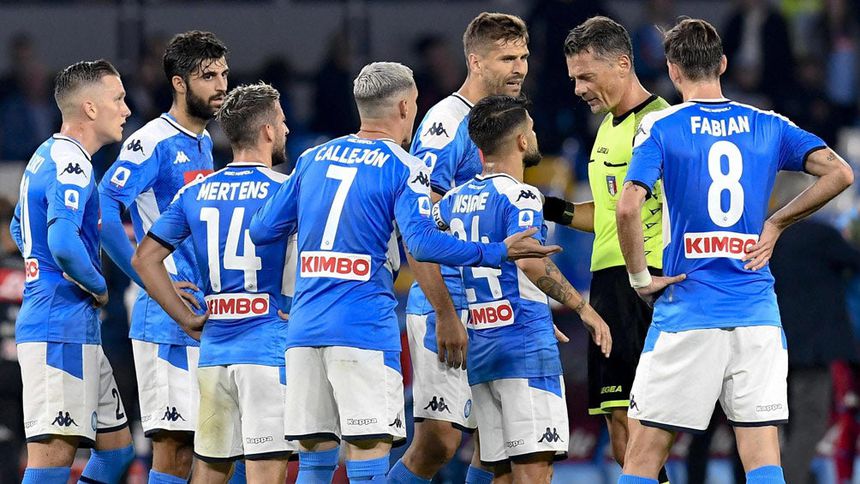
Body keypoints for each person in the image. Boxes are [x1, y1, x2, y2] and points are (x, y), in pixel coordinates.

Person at [248, 61, 559, 484]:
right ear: (404, 107)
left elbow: (262, 230)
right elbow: (424, 244)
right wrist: (497, 250)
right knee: (368, 453)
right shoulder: (405, 166)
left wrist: (288, 292)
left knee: (315, 462)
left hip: (304, 327)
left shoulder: (312, 158)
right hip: (362, 327)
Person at [615, 18, 854, 484]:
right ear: (723, 64)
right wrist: (777, 223)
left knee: (643, 455)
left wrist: (640, 279)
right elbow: (840, 173)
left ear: (673, 70)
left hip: (687, 312)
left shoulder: (659, 125)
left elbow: (627, 208)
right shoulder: (769, 124)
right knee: (762, 456)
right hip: (757, 316)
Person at [433, 94, 612, 483]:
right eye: (531, 127)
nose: (535, 133)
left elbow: (433, 259)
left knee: (500, 471)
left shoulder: (451, 202)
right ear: (520, 140)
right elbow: (530, 260)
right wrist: (583, 308)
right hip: (523, 347)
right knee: (535, 471)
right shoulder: (522, 195)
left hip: (482, 347)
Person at [133, 82, 297, 484]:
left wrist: (185, 318)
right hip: (267, 349)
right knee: (265, 471)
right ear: (267, 131)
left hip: (214, 352)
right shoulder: (287, 191)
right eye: (281, 121)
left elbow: (144, 258)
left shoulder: (196, 191)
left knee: (209, 472)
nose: (287, 128)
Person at [392, 12, 531, 484]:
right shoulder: (447, 123)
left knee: (498, 448)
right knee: (439, 442)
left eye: (523, 56)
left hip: (493, 302)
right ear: (475, 61)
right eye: (507, 58)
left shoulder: (505, 121)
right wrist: (446, 313)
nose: (519, 68)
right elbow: (418, 228)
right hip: (447, 301)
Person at [541, 16, 671, 482]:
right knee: (620, 433)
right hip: (609, 282)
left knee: (637, 427)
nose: (578, 89)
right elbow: (608, 213)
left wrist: (649, 281)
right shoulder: (607, 128)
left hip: (642, 281)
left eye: (586, 76)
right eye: (574, 78)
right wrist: (547, 207)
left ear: (622, 63)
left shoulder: (657, 123)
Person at [98, 30, 229, 484]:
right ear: (179, 83)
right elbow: (104, 211)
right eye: (208, 76)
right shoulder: (152, 141)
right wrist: (154, 282)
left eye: (223, 74)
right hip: (164, 317)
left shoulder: (203, 142)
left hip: (198, 309)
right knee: (173, 449)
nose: (220, 85)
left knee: (210, 447)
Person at [11, 59, 133, 484]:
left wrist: (39, 267)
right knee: (51, 463)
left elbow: (19, 226)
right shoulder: (72, 164)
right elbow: (63, 243)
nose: (126, 109)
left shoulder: (48, 154)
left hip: (72, 327)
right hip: (57, 329)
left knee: (117, 452)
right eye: (118, 99)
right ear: (90, 108)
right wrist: (97, 285)